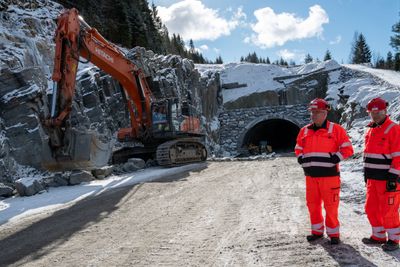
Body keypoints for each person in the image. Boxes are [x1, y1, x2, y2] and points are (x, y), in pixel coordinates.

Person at [295, 98, 354, 245]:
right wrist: (300, 158)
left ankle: (334, 234)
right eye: (312, 112)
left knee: (331, 206)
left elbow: (348, 149)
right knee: (312, 205)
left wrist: (336, 158)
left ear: (325, 113)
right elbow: (298, 147)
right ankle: (317, 232)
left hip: (330, 177)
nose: (314, 115)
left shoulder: (336, 130)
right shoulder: (304, 130)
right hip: (311, 177)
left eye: (317, 112)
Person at [362, 97, 400, 251]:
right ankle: (378, 236)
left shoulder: (394, 129)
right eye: (372, 112)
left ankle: (394, 239)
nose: (375, 115)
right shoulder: (371, 129)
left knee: (388, 210)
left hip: (388, 179)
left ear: (385, 111)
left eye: (378, 112)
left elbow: (399, 156)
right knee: (371, 208)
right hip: (373, 179)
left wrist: (393, 176)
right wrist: (366, 173)